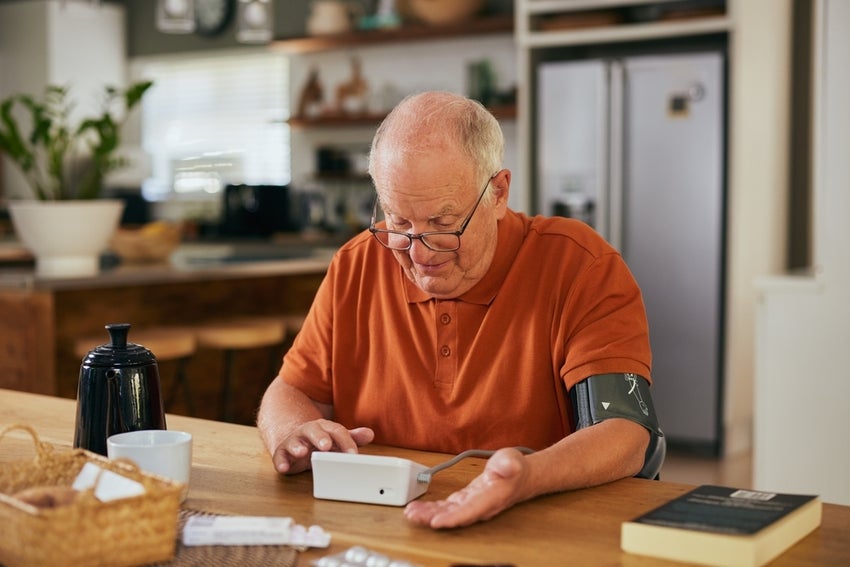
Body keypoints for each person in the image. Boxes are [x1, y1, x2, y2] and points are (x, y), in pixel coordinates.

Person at [257, 91, 663, 529]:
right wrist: (292, 433)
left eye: (443, 223)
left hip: (535, 522)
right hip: (379, 523)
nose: (419, 251)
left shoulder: (581, 266)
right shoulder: (357, 263)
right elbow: (292, 391)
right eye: (399, 222)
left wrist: (528, 477)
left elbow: (624, 433)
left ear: (498, 193)